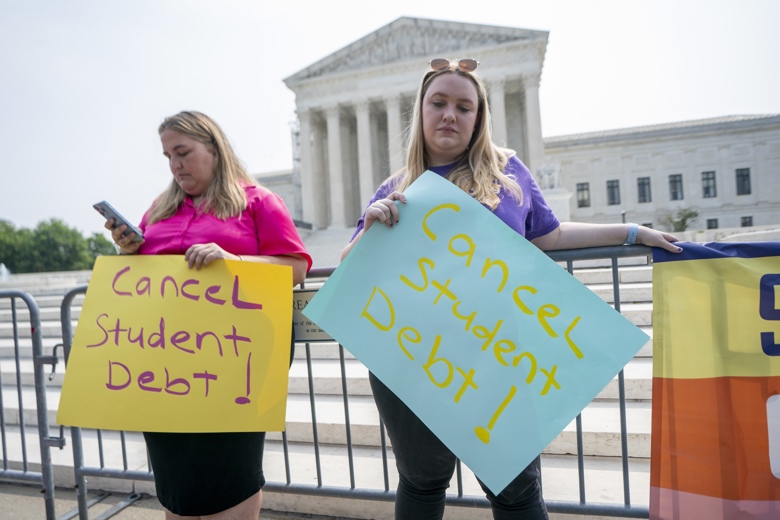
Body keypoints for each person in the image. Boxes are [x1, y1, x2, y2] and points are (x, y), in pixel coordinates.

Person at [340, 58, 682, 520]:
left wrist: (631, 232)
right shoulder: (395, 188)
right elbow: (350, 271)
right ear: (420, 111)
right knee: (421, 483)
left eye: (464, 107)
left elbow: (551, 236)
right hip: (410, 359)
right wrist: (370, 229)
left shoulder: (507, 174)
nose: (450, 115)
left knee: (516, 490)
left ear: (478, 117)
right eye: (438, 103)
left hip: (495, 356)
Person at [107, 110, 312, 519]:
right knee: (177, 484)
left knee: (228, 475)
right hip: (164, 366)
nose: (175, 164)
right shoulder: (159, 208)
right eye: (168, 156)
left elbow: (296, 267)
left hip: (234, 365)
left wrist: (234, 260)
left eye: (183, 152)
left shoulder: (258, 201)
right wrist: (128, 250)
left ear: (214, 149)